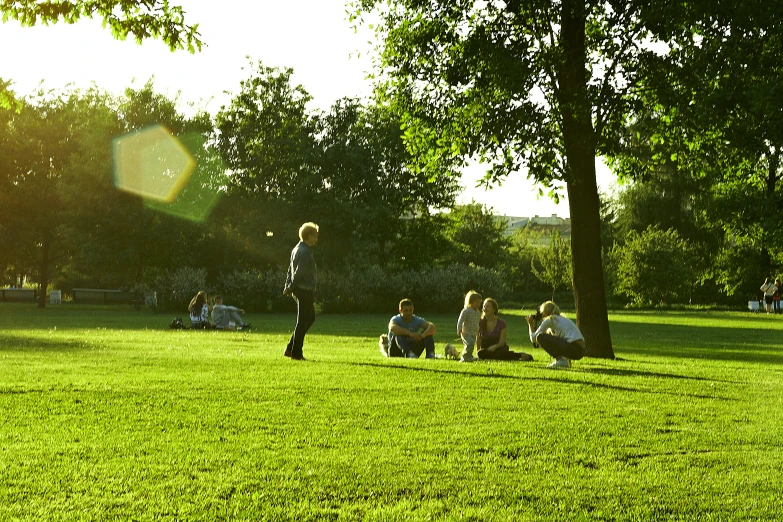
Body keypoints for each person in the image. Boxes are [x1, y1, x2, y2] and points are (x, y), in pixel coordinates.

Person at [283, 222, 319, 361]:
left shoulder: (296, 248)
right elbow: (299, 272)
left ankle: (290, 348)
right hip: (304, 289)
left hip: (299, 289)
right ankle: (296, 353)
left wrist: (288, 286)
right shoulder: (305, 251)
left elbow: (289, 270)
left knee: (309, 318)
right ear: (309, 236)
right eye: (315, 236)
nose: (316, 239)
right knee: (303, 321)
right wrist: (290, 287)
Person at [527, 301, 585, 369]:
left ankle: (561, 360)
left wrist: (530, 324)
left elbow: (534, 338)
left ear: (546, 312)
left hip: (573, 348)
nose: (541, 315)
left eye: (542, 313)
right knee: (552, 338)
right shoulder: (562, 319)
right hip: (580, 351)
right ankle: (566, 360)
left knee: (540, 337)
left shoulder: (550, 319)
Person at [455, 290, 482, 362]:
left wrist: (479, 330)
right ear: (471, 302)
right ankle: (465, 357)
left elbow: (478, 322)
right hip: (466, 332)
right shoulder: (466, 311)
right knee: (470, 343)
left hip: (474, 332)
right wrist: (459, 329)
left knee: (471, 344)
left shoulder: (478, 312)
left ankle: (468, 356)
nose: (478, 304)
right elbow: (460, 320)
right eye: (477, 302)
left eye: (479, 303)